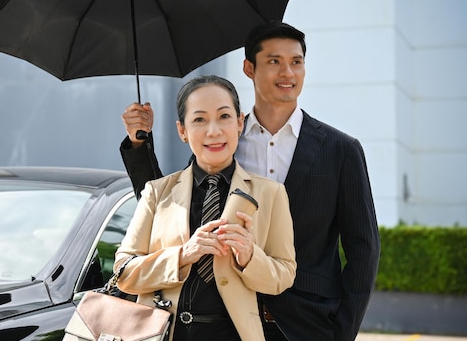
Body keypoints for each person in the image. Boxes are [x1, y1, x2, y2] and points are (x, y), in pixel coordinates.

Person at [119, 22, 380, 341]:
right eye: (274, 61)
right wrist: (138, 144)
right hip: (229, 323)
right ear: (248, 68)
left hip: (307, 326)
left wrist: (343, 332)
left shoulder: (341, 150)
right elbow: (170, 210)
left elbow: (363, 248)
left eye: (296, 62)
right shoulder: (224, 141)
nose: (288, 72)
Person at [114, 75, 296, 341]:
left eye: (224, 117)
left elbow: (284, 276)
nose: (213, 131)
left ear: (240, 123)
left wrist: (249, 257)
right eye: (199, 119)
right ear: (182, 131)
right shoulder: (157, 192)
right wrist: (182, 255)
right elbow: (124, 272)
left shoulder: (271, 194)